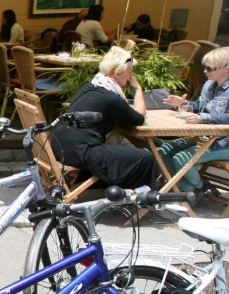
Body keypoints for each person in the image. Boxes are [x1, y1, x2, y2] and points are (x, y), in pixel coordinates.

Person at [51, 47, 158, 189]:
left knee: (120, 155)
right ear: (118, 74)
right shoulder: (111, 97)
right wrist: (138, 89)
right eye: (130, 73)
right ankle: (140, 198)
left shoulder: (91, 86)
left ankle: (119, 191)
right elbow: (139, 118)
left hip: (61, 147)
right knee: (145, 157)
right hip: (83, 152)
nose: (131, 78)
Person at [159, 47, 229, 201]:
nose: (205, 71)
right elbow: (200, 106)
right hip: (203, 137)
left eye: (211, 68)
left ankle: (195, 188)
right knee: (163, 150)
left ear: (228, 68)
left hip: (227, 143)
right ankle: (190, 188)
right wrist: (184, 103)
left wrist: (201, 118)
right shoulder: (210, 83)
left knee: (181, 158)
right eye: (205, 67)